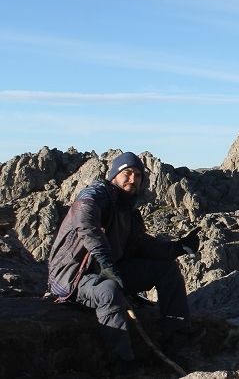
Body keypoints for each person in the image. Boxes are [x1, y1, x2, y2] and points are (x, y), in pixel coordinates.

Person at [47, 152, 200, 369]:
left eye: (137, 175)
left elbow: (140, 245)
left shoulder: (126, 209)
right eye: (126, 173)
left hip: (113, 270)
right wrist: (106, 263)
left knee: (167, 270)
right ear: (114, 176)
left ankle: (176, 339)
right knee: (108, 291)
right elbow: (85, 218)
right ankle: (122, 362)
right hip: (75, 277)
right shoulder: (97, 194)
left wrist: (178, 247)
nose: (132, 179)